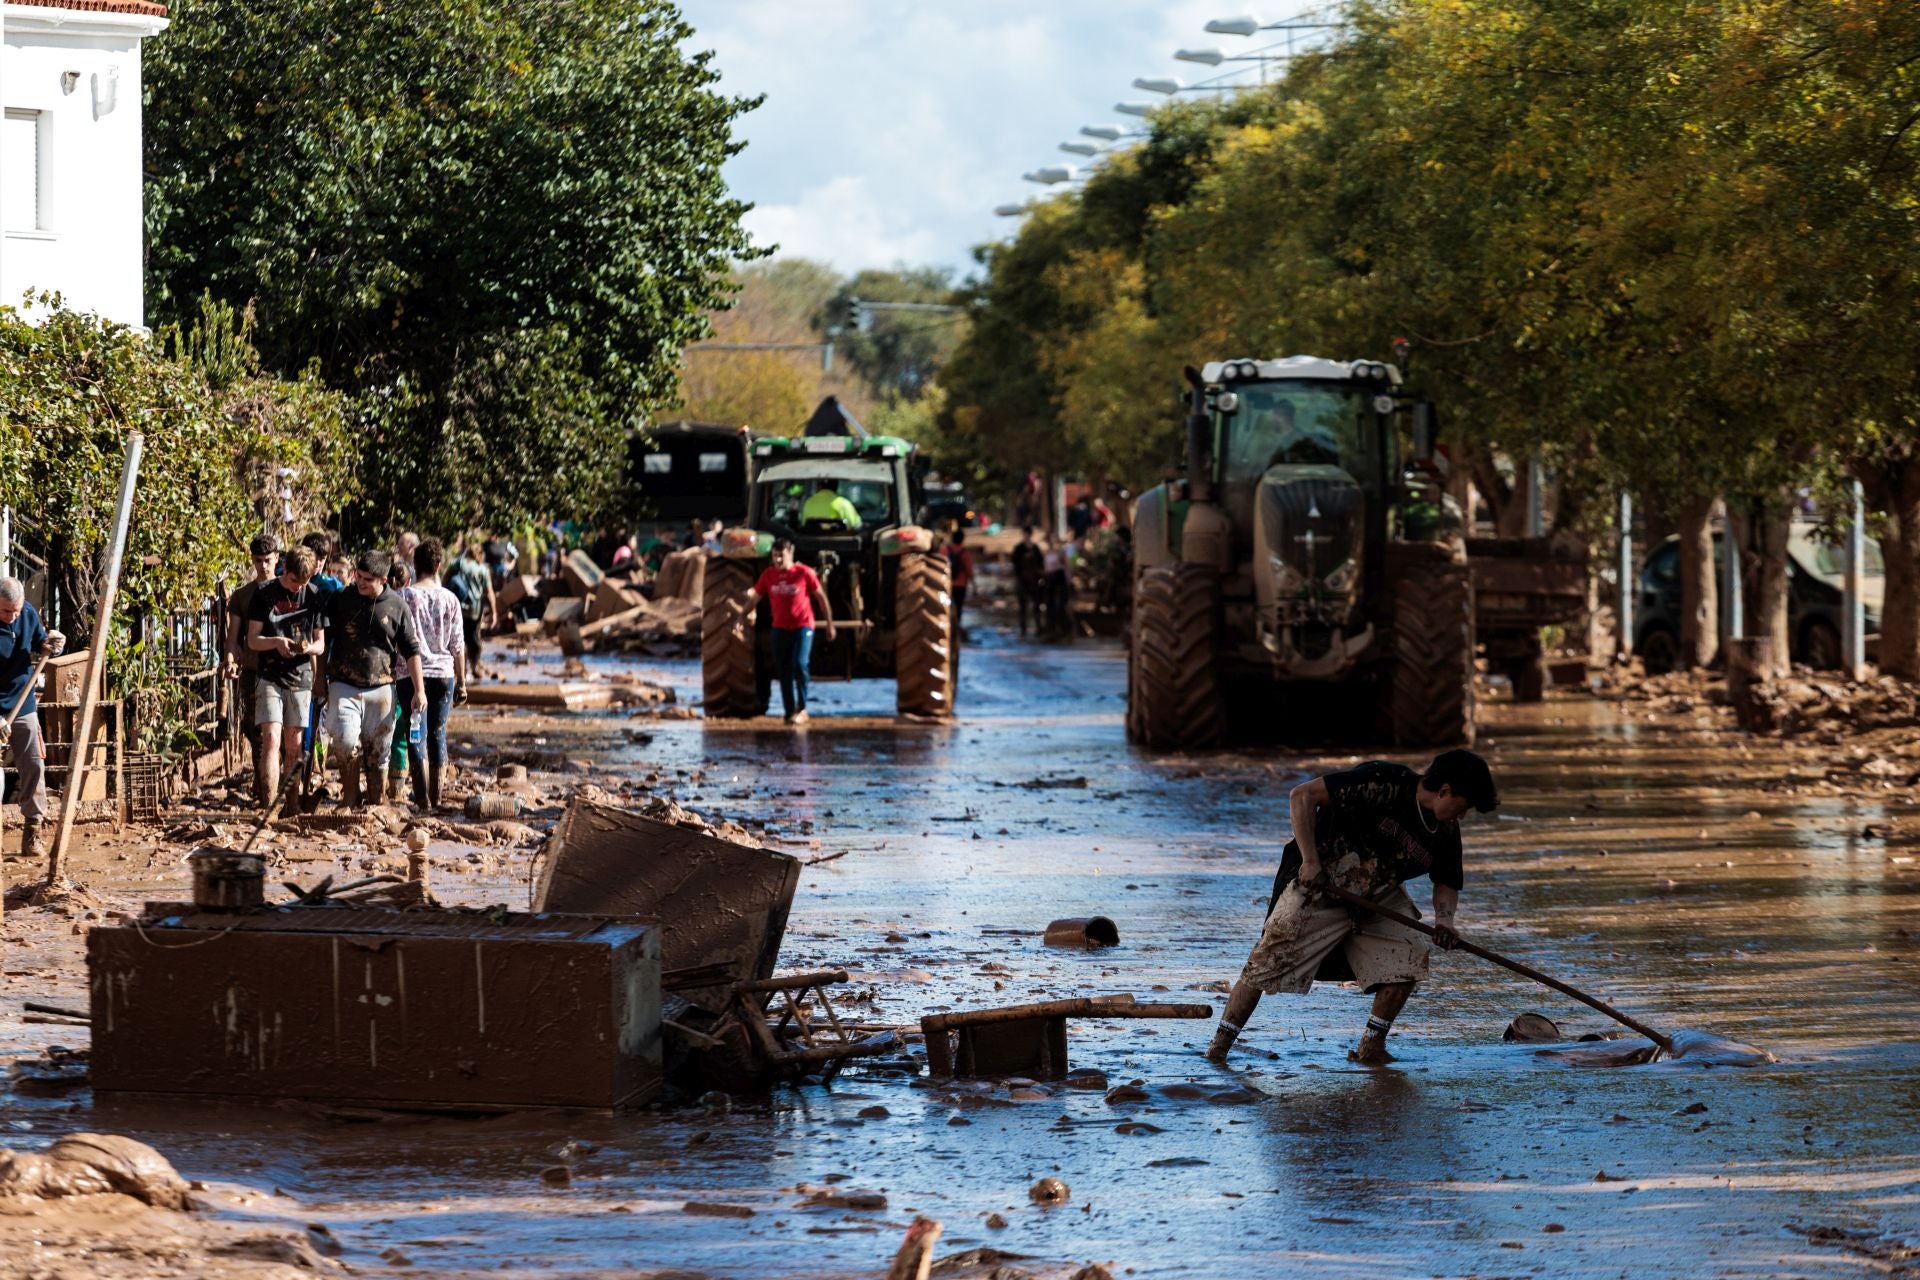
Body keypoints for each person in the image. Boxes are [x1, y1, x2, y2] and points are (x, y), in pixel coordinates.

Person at [1206, 750, 1500, 1065]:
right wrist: (1310, 860)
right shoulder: (1382, 783)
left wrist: (1445, 921)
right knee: (1265, 963)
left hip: (1377, 895)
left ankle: (1371, 1046)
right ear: (1444, 791)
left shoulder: (1445, 831)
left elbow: (1447, 881)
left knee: (1410, 954)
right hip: (1321, 882)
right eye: (1464, 806)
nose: (1463, 815)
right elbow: (1301, 795)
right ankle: (1219, 1048)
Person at [320, 553, 426, 809]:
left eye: (368, 579)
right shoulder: (340, 600)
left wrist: (419, 690)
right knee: (344, 743)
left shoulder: (397, 606)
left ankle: (376, 801)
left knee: (379, 752)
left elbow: (411, 650)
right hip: (343, 683)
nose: (360, 582)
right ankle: (350, 796)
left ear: (383, 579)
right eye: (358, 576)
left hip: (382, 687)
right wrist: (318, 680)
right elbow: (323, 641)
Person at [245, 546, 325, 808]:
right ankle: (268, 807)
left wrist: (306, 648)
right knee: (271, 739)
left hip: (300, 676)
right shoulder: (264, 594)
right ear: (284, 570)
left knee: (294, 744)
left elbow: (320, 644)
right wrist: (276, 642)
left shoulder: (314, 595)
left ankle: (291, 807)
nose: (296, 588)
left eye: (303, 582)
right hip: (269, 675)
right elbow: (253, 640)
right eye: (293, 581)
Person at [397, 538, 467, 809]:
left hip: (409, 676)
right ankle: (437, 797)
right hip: (443, 675)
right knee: (438, 733)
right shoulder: (450, 599)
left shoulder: (404, 597)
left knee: (415, 733)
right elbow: (457, 646)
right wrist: (462, 683)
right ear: (439, 566)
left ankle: (423, 798)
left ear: (414, 564)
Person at [733, 538, 834, 725]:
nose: (778, 560)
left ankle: (802, 708)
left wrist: (829, 624)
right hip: (780, 629)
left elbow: (821, 598)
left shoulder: (804, 573)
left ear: (790, 554)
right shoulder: (768, 575)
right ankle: (789, 712)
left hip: (803, 627)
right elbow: (754, 599)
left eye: (781, 556)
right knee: (784, 671)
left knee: (800, 665)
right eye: (774, 556)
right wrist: (741, 616)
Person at [0, 577, 65, 855]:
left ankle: (33, 833)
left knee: (34, 765)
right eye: (5, 611)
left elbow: (40, 643)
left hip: (23, 702)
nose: (12, 616)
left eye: (15, 610)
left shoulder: (27, 612)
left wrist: (52, 644)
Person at [223, 533, 281, 791]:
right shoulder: (242, 596)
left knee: (277, 732)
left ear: (277, 558)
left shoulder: (287, 591)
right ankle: (264, 783)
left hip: (282, 671)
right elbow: (233, 637)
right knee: (251, 727)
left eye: (268, 560)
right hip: (253, 670)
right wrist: (230, 657)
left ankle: (270, 787)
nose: (263, 566)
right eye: (258, 560)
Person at [447, 540, 496, 682]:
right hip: (475, 610)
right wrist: (494, 612)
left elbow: (444, 582)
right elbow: (489, 592)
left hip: (456, 608)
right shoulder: (483, 569)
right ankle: (474, 667)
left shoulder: (456, 564)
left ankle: (460, 670)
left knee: (457, 639)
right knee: (473, 639)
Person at [1010, 527, 1045, 638]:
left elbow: (1041, 564)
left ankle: (1038, 628)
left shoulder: (1035, 548)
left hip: (1034, 582)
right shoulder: (1019, 549)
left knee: (1037, 605)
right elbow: (1015, 565)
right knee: (1023, 607)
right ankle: (1023, 630)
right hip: (1022, 581)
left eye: (1028, 534)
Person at [943, 527, 975, 642]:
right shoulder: (964, 552)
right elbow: (969, 571)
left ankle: (948, 627)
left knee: (946, 607)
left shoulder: (944, 550)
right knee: (959, 608)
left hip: (946, 585)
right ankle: (956, 627)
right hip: (961, 585)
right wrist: (974, 586)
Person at [1042, 541, 1072, 639]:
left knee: (1061, 608)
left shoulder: (1061, 554)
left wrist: (1068, 581)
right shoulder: (1047, 555)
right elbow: (1046, 569)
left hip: (1060, 581)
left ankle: (1065, 631)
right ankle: (1053, 631)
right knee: (1050, 607)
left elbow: (1067, 569)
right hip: (1051, 582)